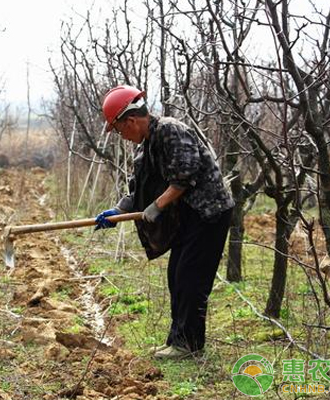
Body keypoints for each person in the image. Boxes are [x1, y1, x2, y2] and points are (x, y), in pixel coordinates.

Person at [95, 85, 234, 359]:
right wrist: (117, 211)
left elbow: (185, 177)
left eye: (121, 130)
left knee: (191, 278)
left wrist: (156, 207)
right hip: (187, 217)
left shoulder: (171, 131)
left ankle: (189, 346)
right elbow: (139, 189)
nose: (123, 137)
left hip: (209, 213)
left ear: (131, 121)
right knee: (177, 277)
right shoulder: (145, 146)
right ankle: (177, 340)